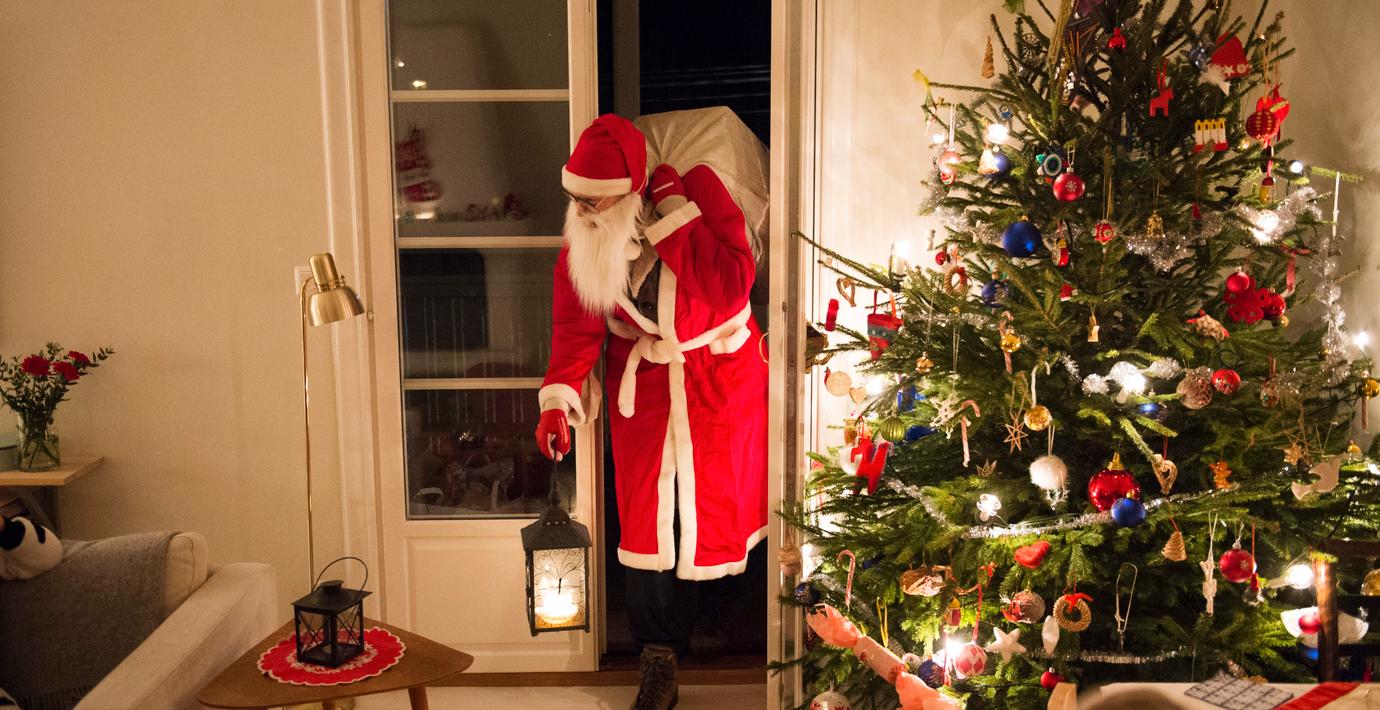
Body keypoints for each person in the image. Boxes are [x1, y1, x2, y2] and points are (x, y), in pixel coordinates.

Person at [535, 114, 768, 710]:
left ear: (628, 191)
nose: (581, 211)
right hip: (642, 382)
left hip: (719, 373)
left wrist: (673, 216)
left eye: (593, 201)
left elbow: (729, 287)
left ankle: (724, 616)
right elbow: (575, 324)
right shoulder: (585, 233)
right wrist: (559, 398)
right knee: (647, 520)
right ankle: (658, 655)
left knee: (721, 507)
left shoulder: (700, 190)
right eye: (574, 198)